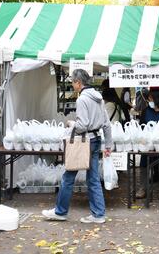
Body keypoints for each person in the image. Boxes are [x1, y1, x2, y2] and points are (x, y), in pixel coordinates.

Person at [42, 69, 112, 224]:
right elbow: (107, 124)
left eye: (73, 82)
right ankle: (99, 215)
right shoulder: (99, 98)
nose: (72, 84)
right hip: (96, 140)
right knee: (93, 179)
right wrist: (108, 145)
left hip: (83, 142)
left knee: (68, 177)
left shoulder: (82, 100)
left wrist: (71, 123)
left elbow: (82, 125)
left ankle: (60, 212)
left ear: (78, 83)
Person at [136, 89, 159, 200]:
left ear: (158, 99)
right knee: (144, 164)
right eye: (149, 99)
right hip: (147, 145)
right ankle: (142, 188)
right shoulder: (146, 111)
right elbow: (142, 127)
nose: (149, 101)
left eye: (151, 99)